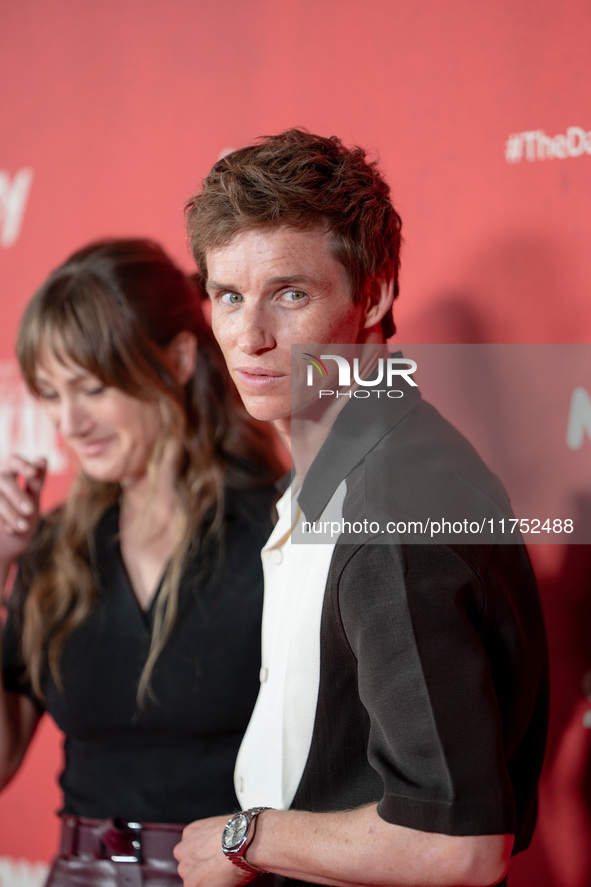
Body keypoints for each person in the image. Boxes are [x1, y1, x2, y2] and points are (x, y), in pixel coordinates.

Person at [174, 129, 549, 887]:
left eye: (290, 293)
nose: (250, 336)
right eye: (228, 296)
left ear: (370, 294)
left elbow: (458, 843)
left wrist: (245, 838)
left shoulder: (393, 505)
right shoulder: (340, 473)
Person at [0, 239, 282, 886]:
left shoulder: (278, 531)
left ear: (180, 358)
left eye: (92, 387)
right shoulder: (53, 547)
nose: (69, 421)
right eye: (49, 392)